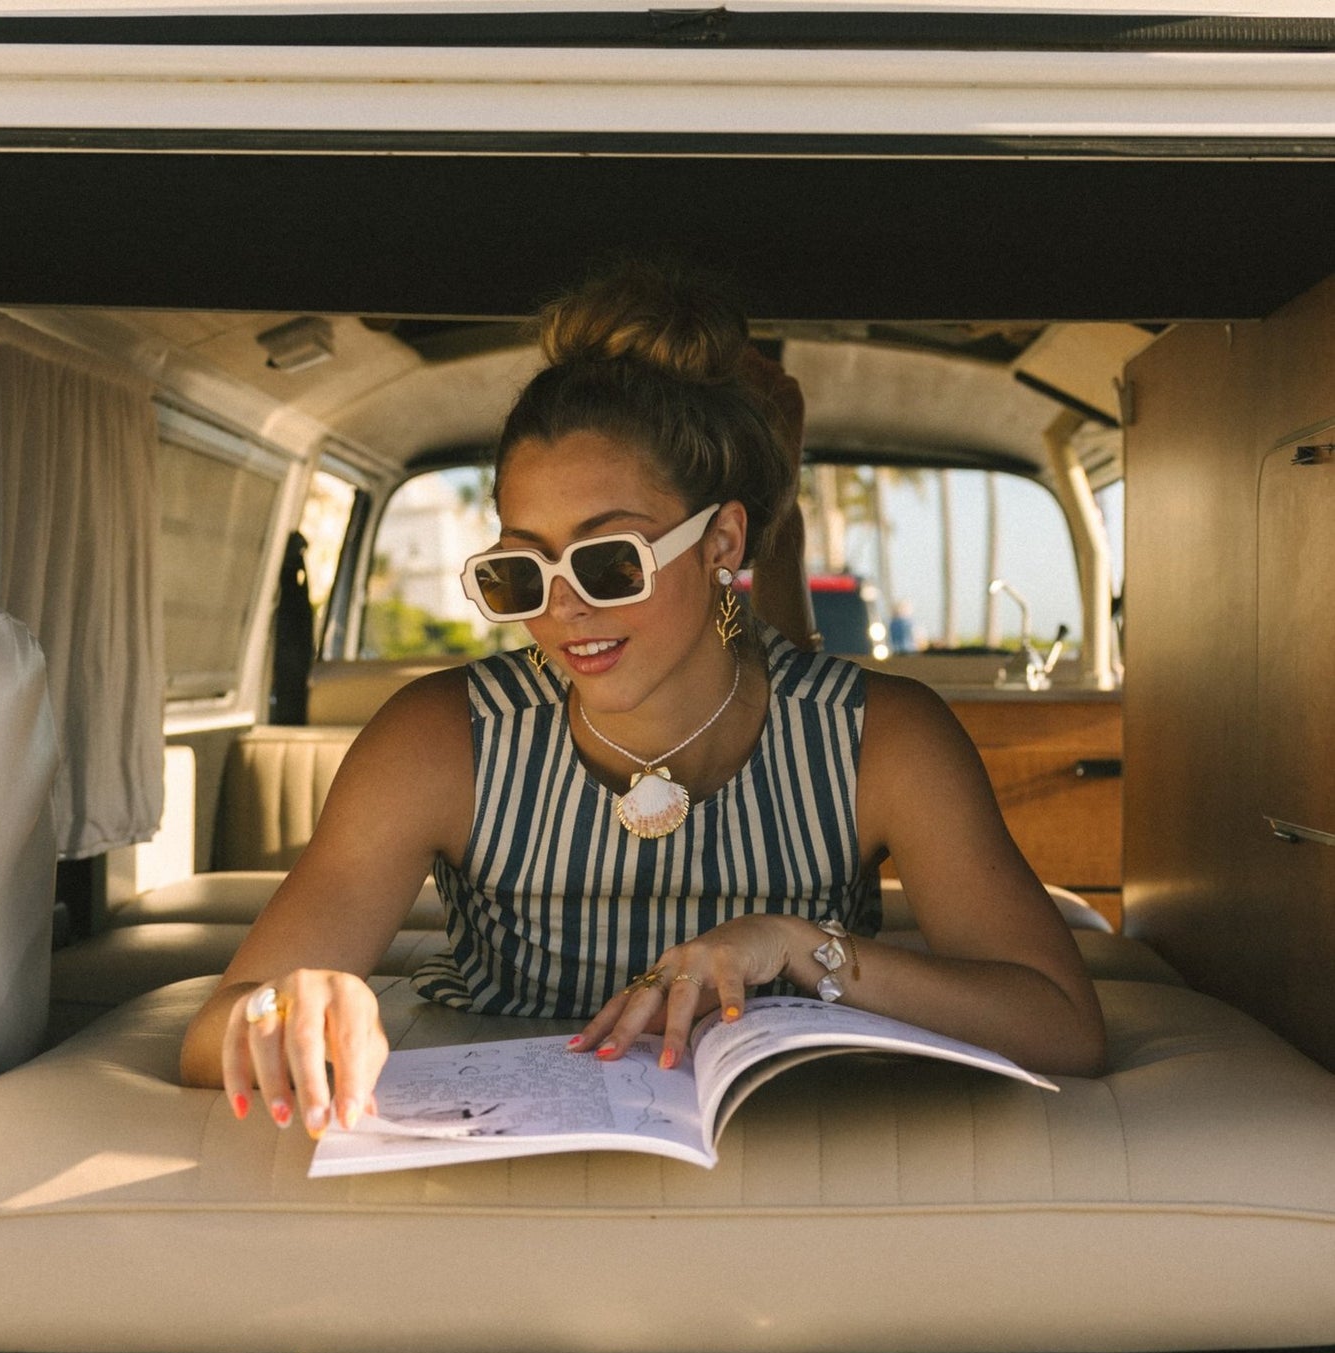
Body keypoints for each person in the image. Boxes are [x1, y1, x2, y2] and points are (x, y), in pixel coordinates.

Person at [180, 263, 1105, 1137]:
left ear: (721, 543)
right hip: (502, 1160)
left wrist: (793, 945)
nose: (563, 606)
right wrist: (289, 1005)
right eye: (519, 571)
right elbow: (214, 1025)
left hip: (789, 1146)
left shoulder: (878, 737)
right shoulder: (440, 739)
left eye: (609, 560)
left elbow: (1061, 1024)